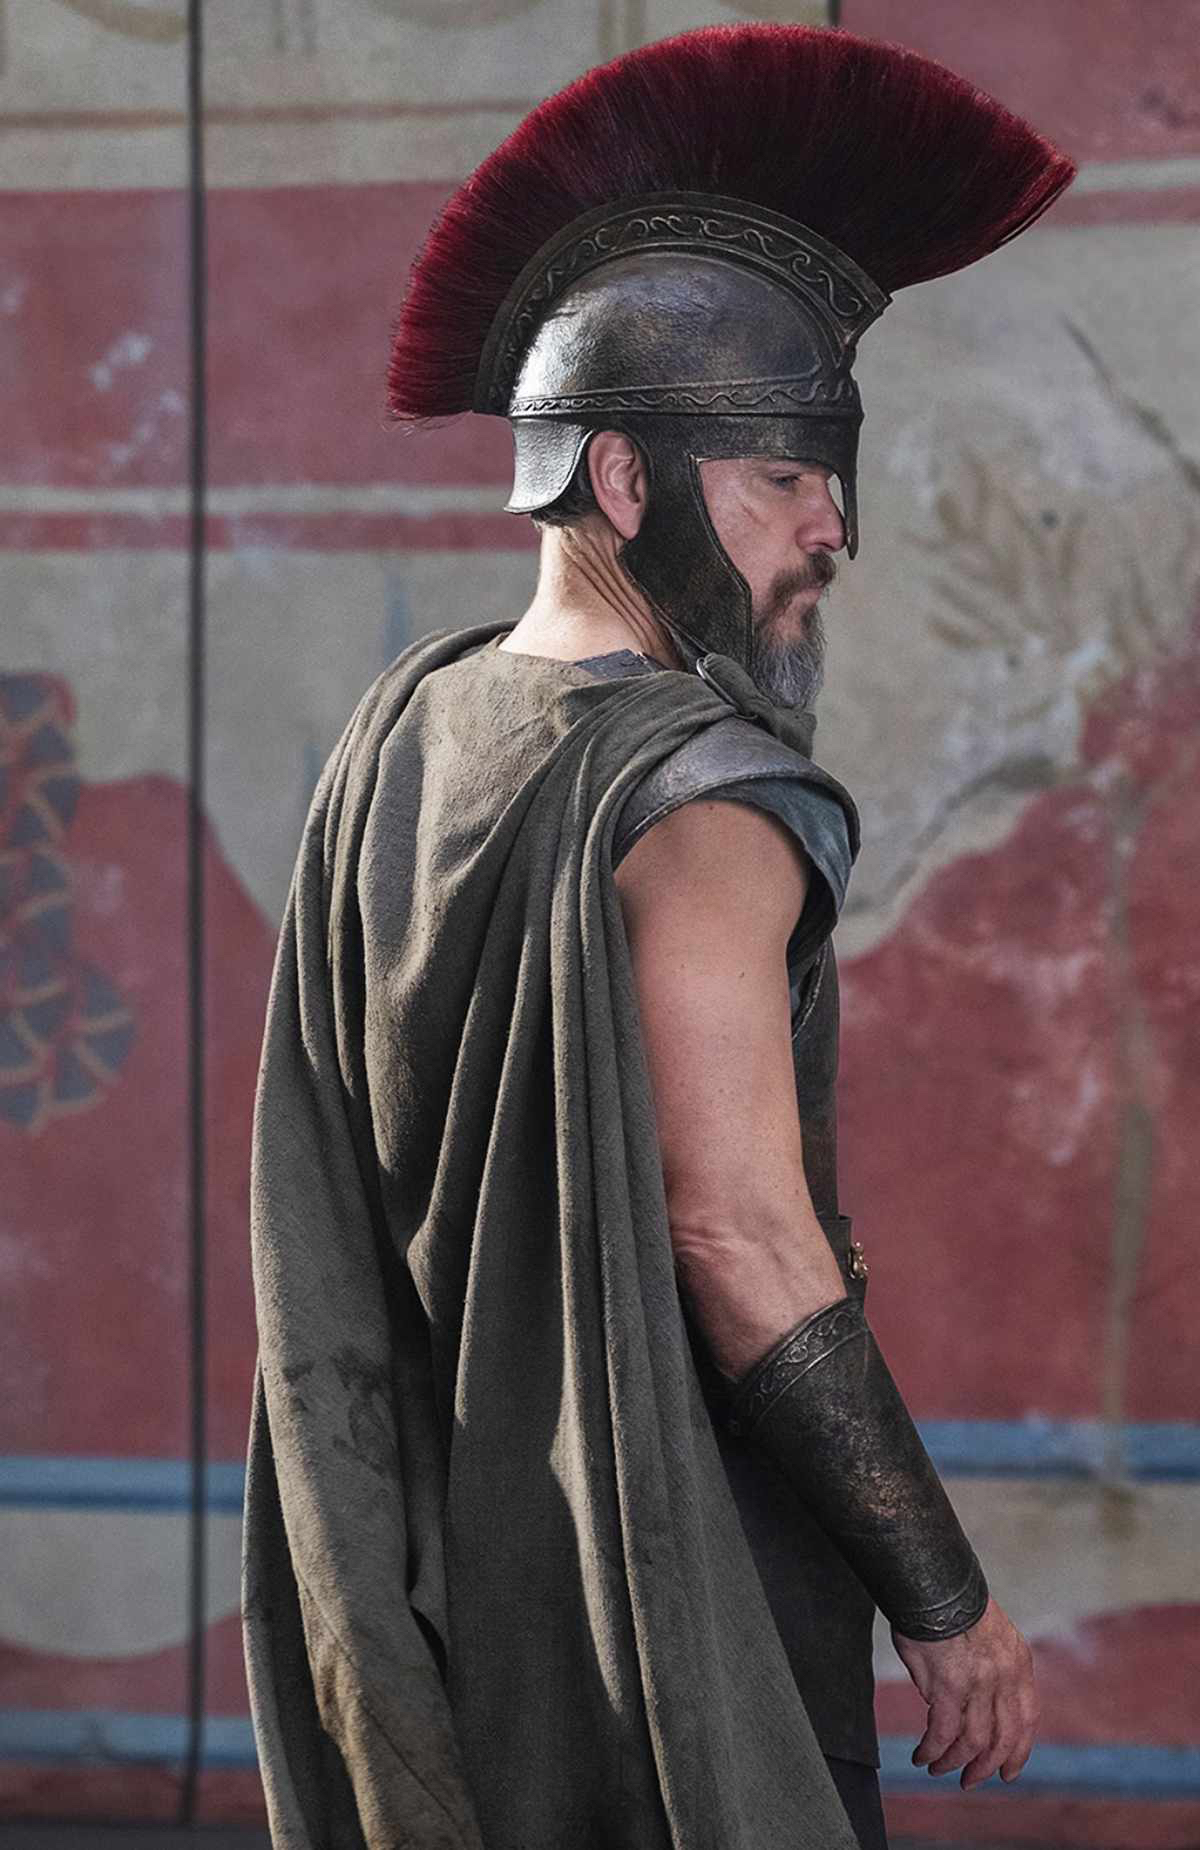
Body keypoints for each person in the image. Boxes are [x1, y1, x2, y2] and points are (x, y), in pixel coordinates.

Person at [243, 24, 1072, 1850]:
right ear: (624, 481)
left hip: (440, 1601)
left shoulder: (405, 728)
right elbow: (740, 1233)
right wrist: (947, 1597)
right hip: (663, 1607)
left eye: (830, 480)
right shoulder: (700, 797)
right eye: (783, 478)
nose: (830, 529)